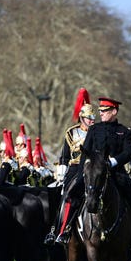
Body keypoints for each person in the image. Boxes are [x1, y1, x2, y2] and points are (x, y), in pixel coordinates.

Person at [75, 97, 131, 247]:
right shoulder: (94, 129)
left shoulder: (123, 131)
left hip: (116, 174)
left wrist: (113, 162)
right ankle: (64, 230)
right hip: (94, 175)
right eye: (100, 111)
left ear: (114, 111)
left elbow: (129, 152)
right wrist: (80, 176)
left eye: (104, 111)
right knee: (70, 195)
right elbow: (85, 153)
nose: (101, 113)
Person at [45, 88, 94, 244]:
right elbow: (65, 156)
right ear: (82, 117)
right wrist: (61, 173)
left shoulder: (97, 132)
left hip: (91, 169)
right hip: (74, 169)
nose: (92, 120)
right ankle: (58, 229)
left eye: (93, 117)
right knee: (65, 196)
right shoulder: (71, 133)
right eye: (89, 118)